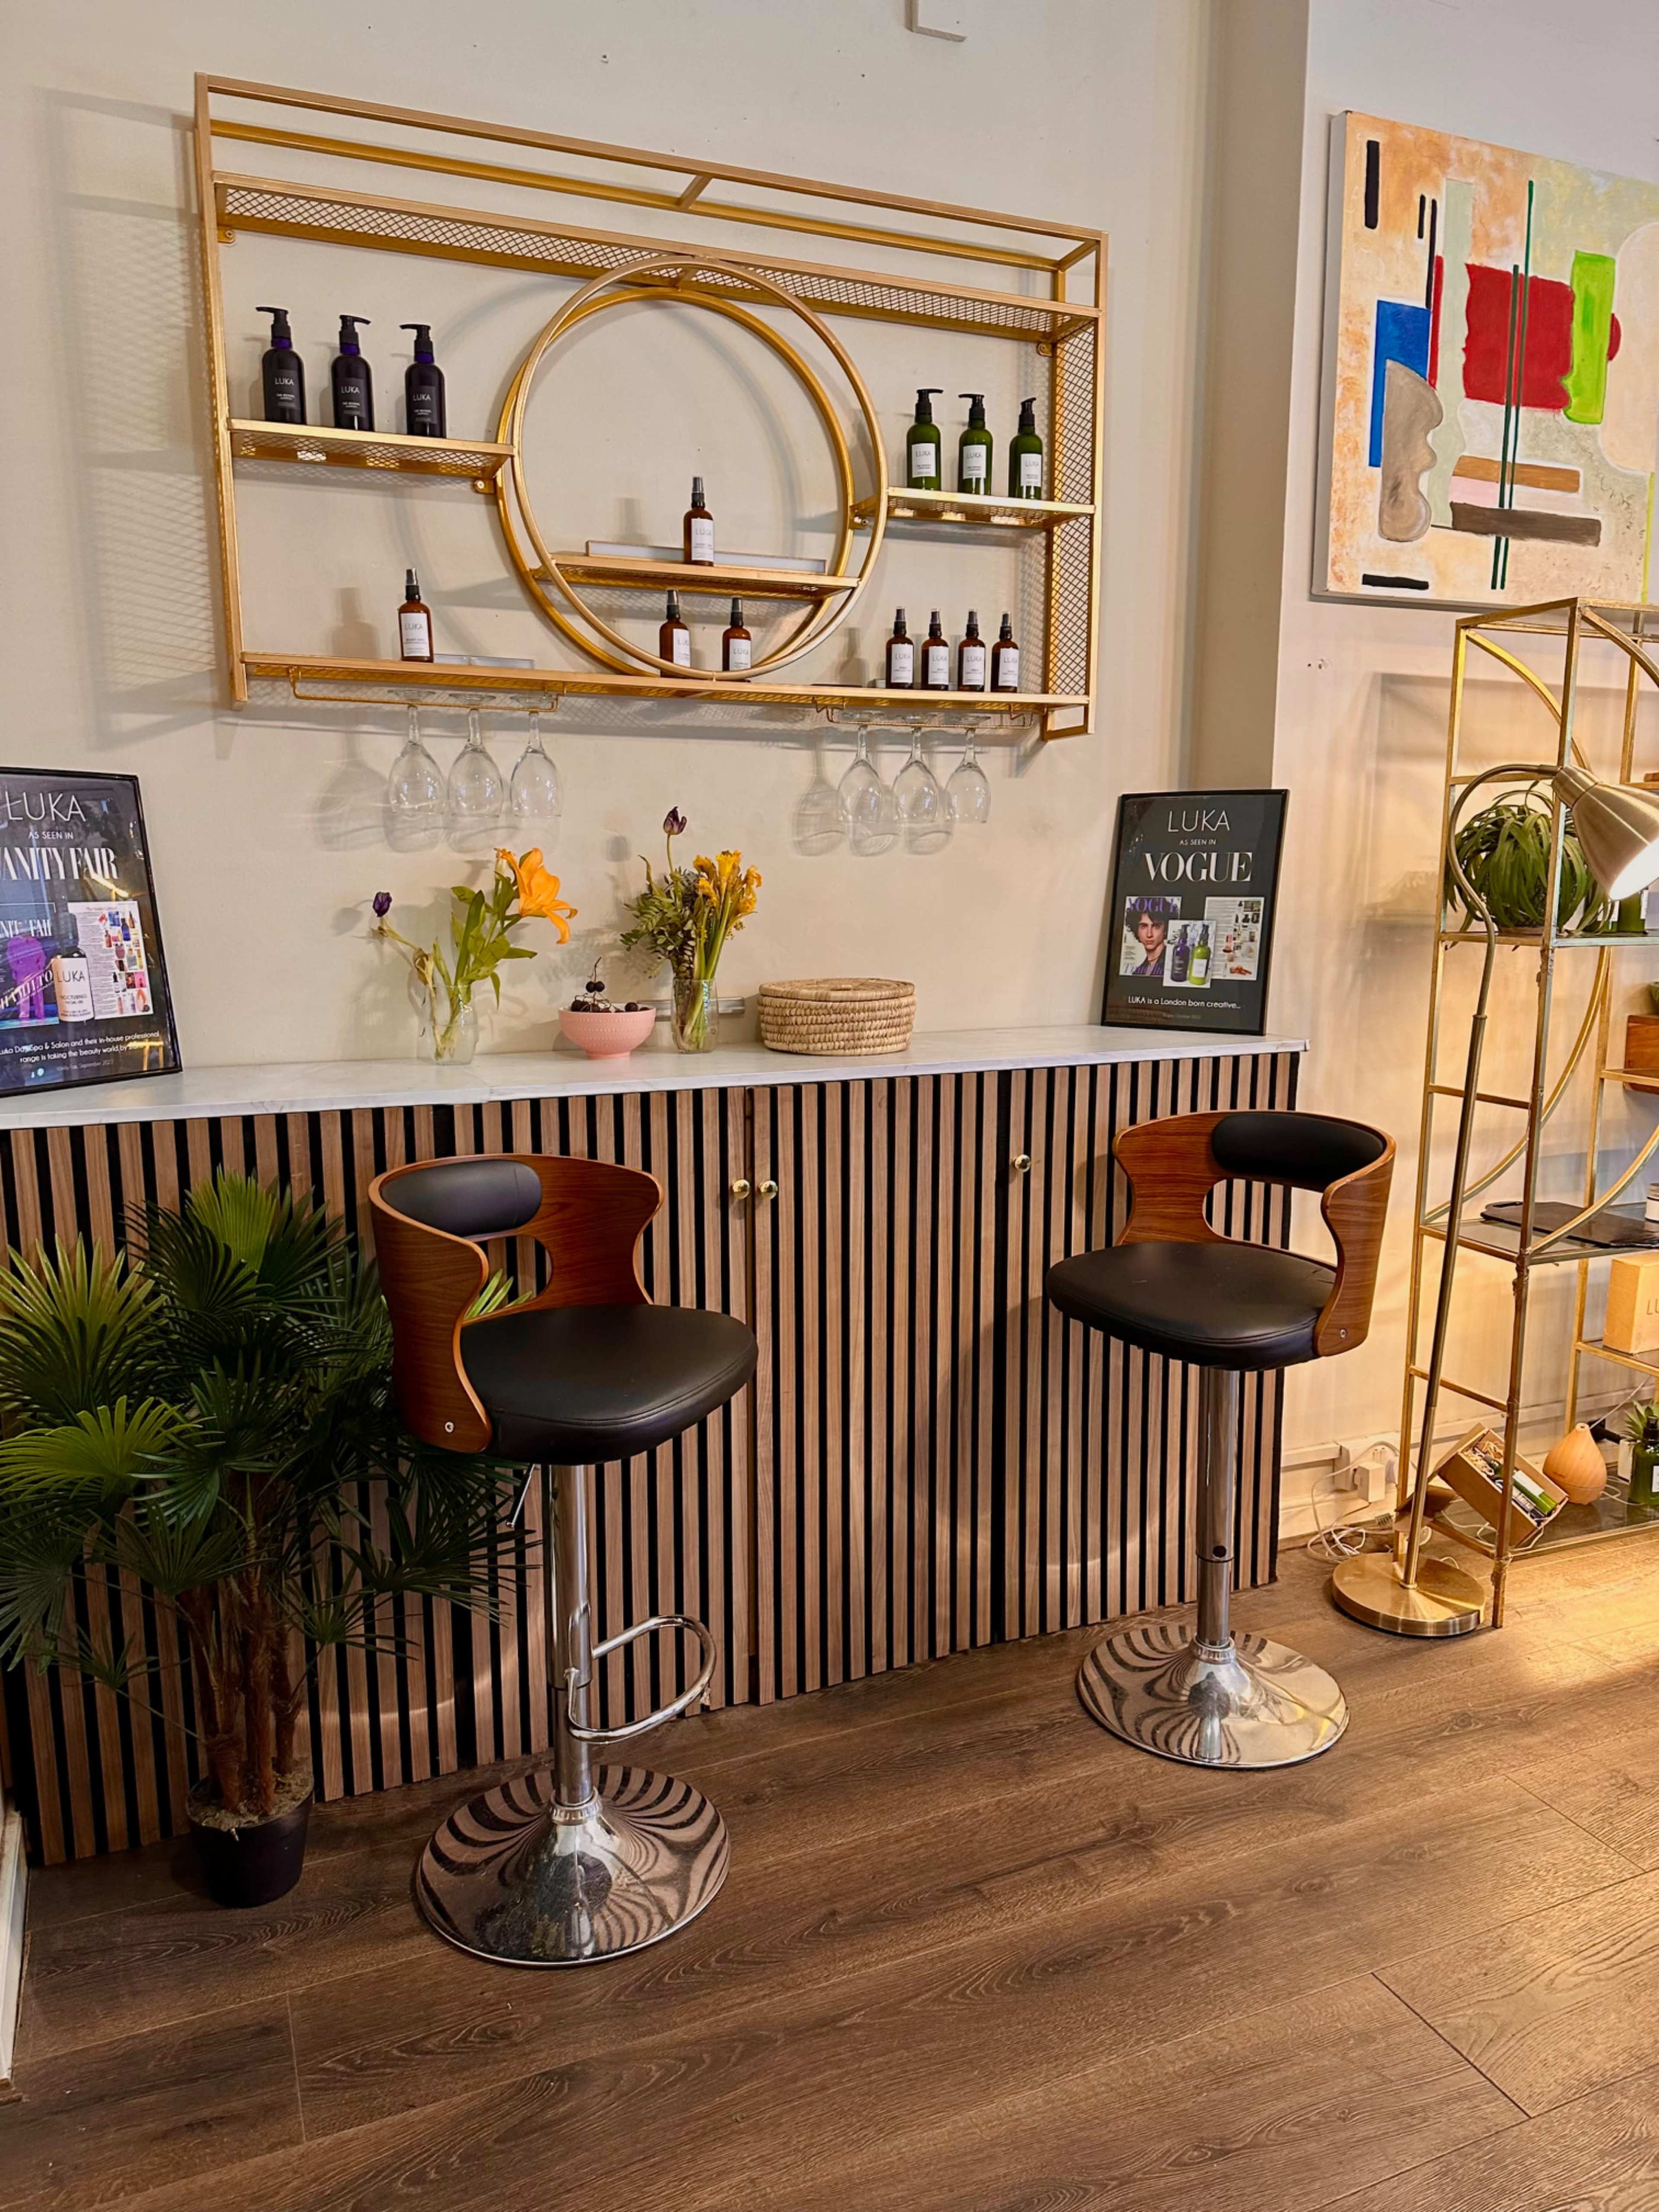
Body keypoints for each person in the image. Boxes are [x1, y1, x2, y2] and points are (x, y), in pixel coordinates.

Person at [1122, 900, 1169, 979]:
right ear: (1137, 930)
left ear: (1166, 930)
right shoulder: (1138, 972)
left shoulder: (1172, 965)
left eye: (1156, 927)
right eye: (1144, 927)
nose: (1149, 934)